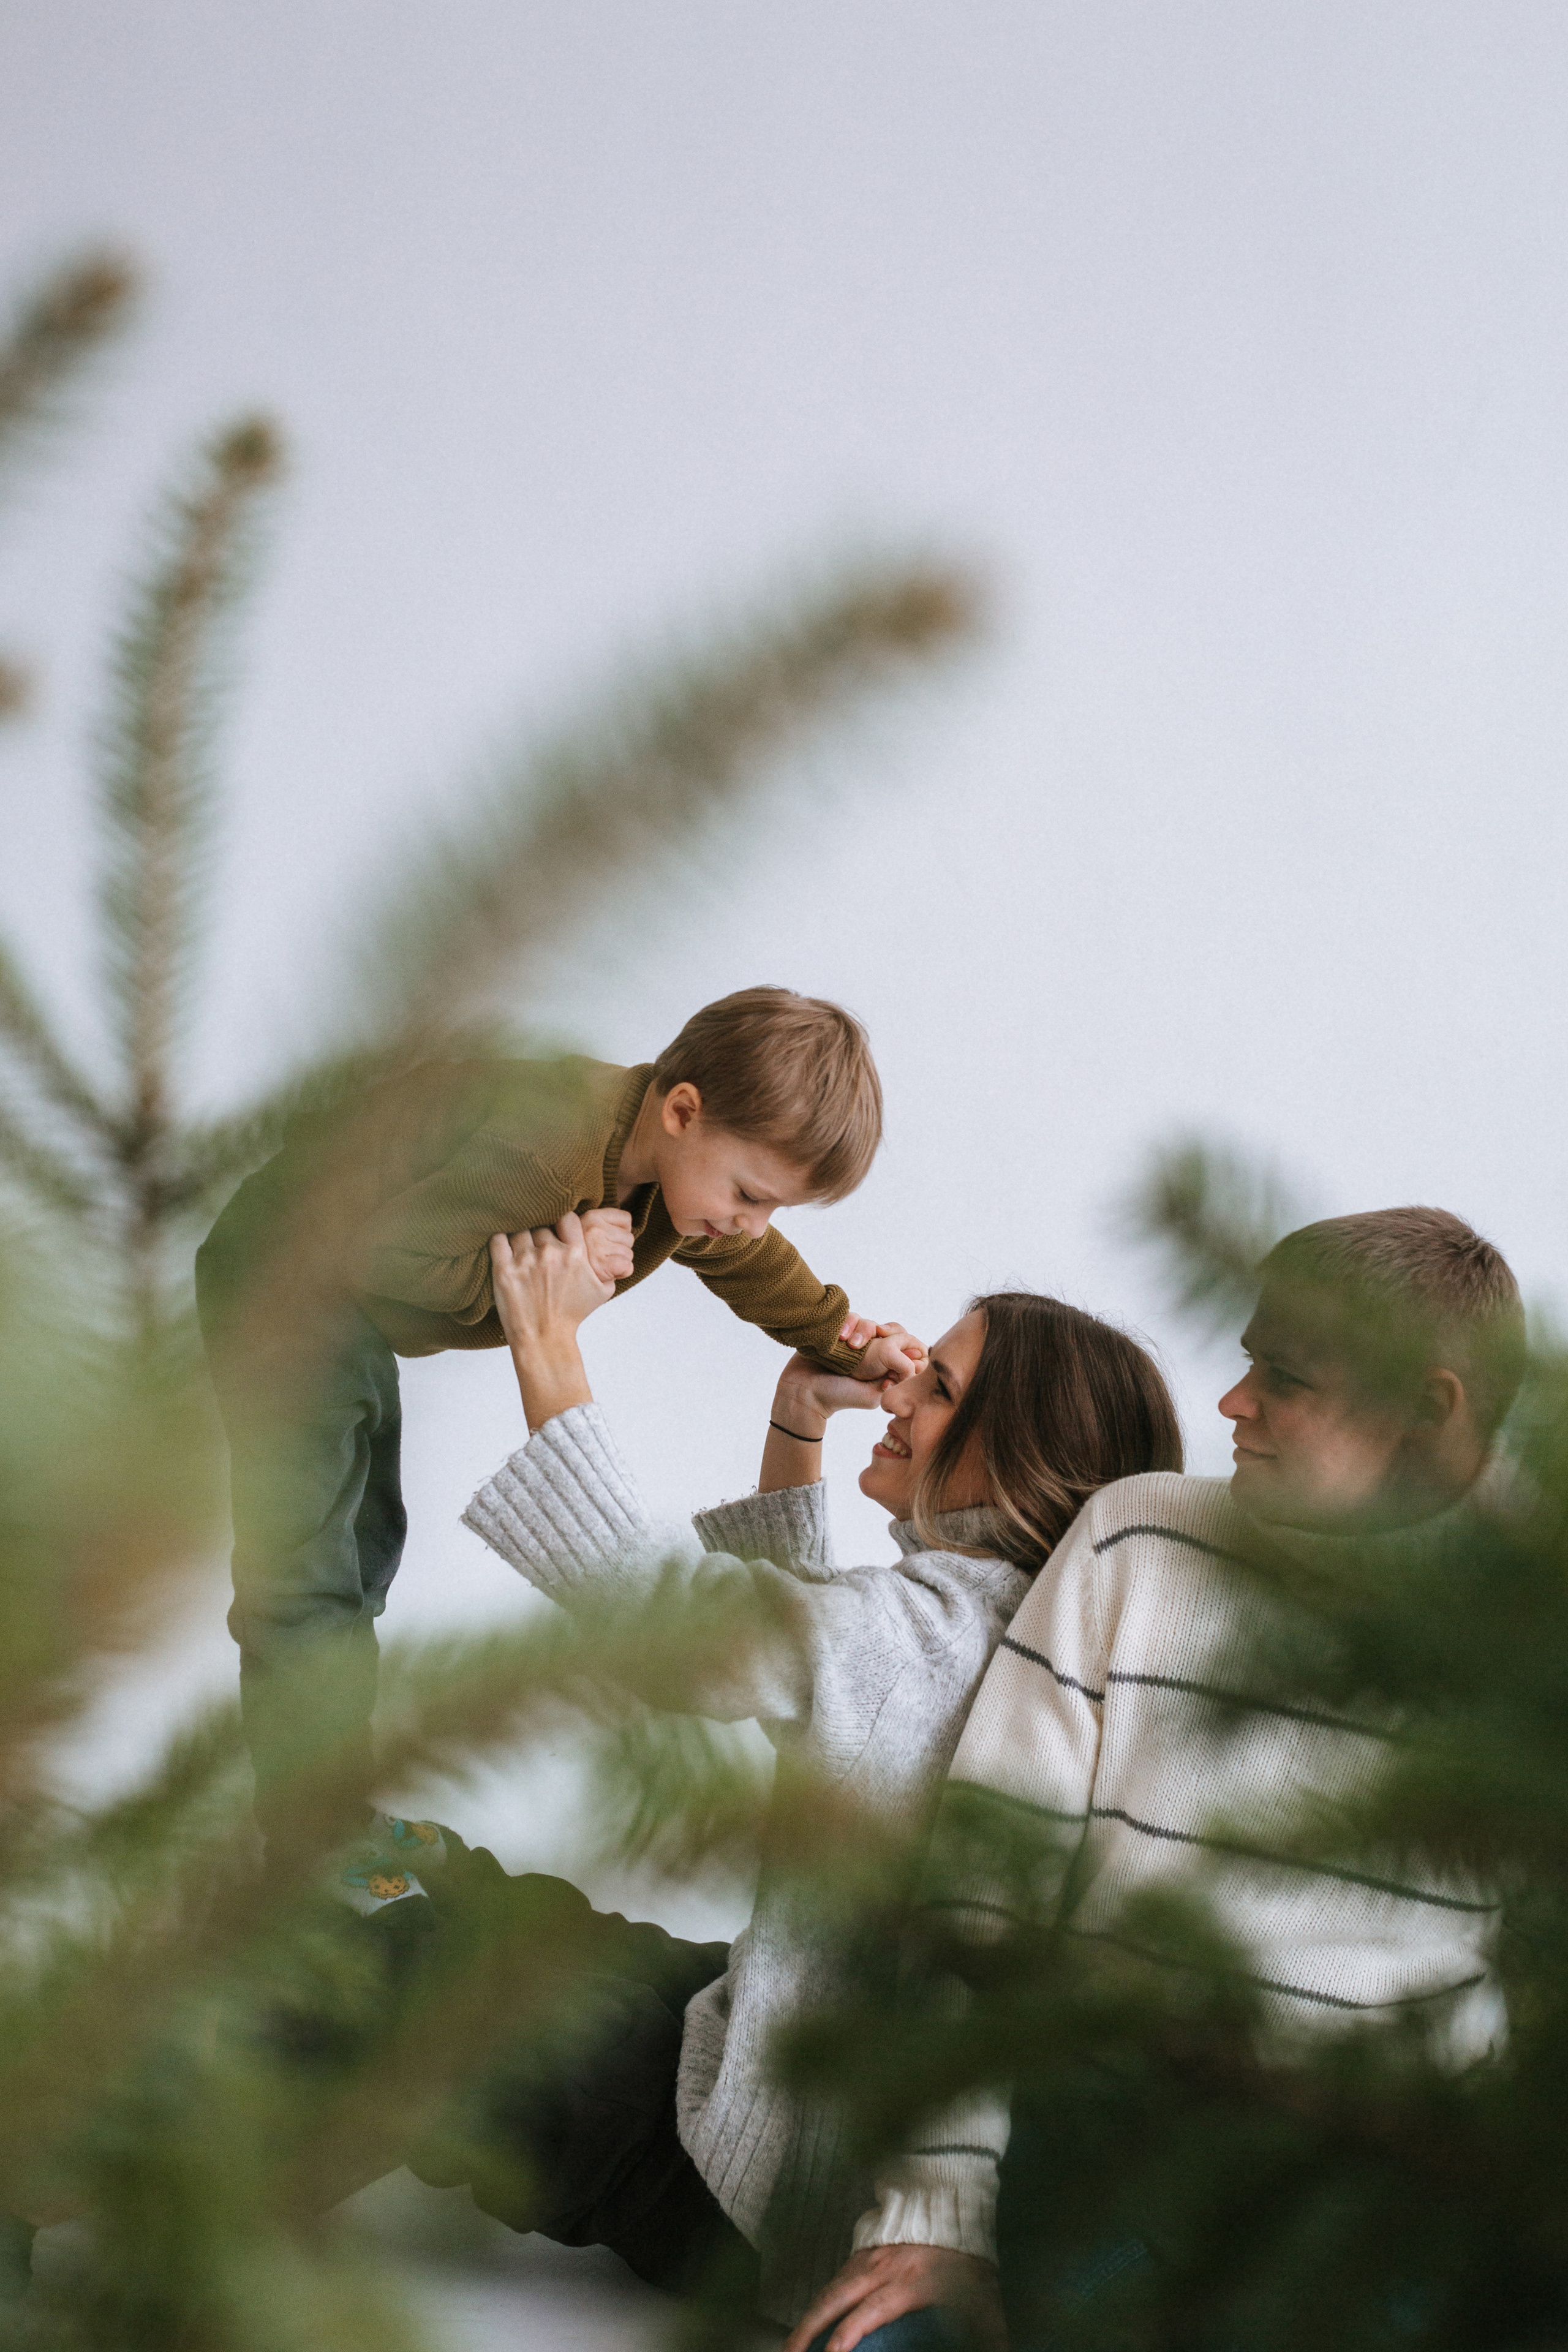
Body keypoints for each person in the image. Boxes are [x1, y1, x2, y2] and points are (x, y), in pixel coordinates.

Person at [400, 1210, 1182, 2326]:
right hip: (775, 2070)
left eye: (942, 1390)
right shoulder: (1009, 1632)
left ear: (1020, 1455)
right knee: (528, 1923)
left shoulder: (929, 1635)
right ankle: (390, 1885)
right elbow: (818, 1669)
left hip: (755, 2193)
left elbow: (675, 1627)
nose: (902, 1393)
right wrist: (800, 1420)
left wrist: (548, 1345)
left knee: (409, 1985)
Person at [793, 1205, 1526, 2352]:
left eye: (1285, 1379)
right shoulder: (1136, 1538)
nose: (1231, 1405)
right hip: (1102, 2147)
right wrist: (938, 2213)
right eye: (1244, 1361)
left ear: (1427, 1408)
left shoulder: (1529, 1641)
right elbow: (984, 1895)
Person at [194, 987, 919, 1853]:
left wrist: (845, 1345)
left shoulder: (668, 1169)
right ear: (685, 1110)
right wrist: (557, 1264)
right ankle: (302, 1856)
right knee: (306, 1575)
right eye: (750, 1195)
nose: (749, 1224)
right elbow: (379, 1258)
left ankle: (332, 1819)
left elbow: (755, 1267)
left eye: (772, 1210)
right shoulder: (548, 1157)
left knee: (364, 1550)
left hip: (343, 1313)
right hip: (289, 1280)